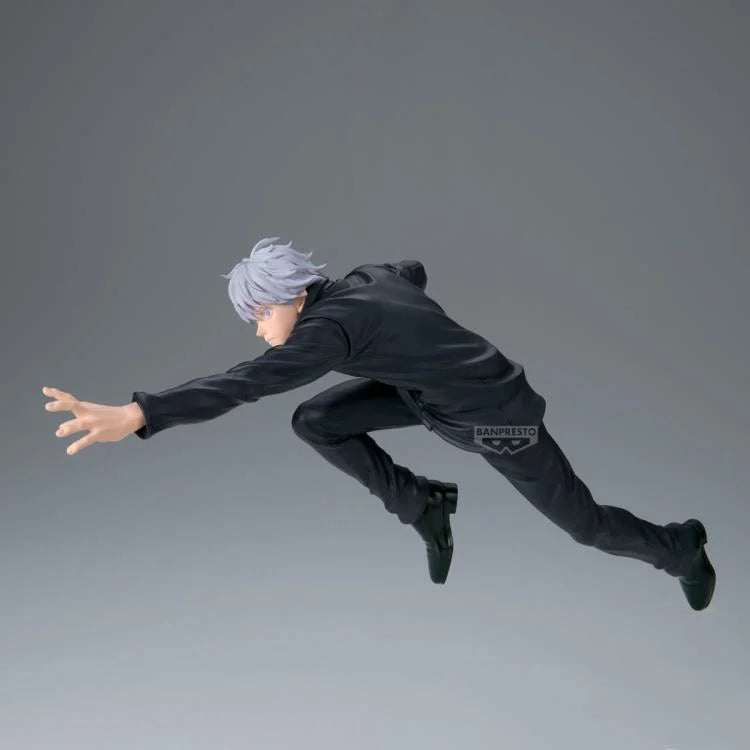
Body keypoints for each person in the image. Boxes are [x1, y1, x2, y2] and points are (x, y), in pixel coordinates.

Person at [42, 237, 716, 610]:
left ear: (294, 296)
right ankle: (422, 504)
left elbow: (245, 382)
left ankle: (680, 548)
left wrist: (139, 412)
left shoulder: (323, 334)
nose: (259, 327)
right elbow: (409, 269)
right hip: (426, 397)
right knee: (317, 420)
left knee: (583, 524)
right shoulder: (367, 278)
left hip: (495, 419)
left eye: (262, 313)